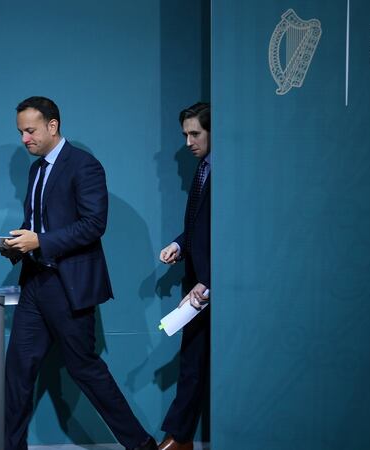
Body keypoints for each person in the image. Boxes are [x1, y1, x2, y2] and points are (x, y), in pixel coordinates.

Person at [0, 96, 157, 450]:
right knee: (17, 371)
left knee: (85, 369)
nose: (24, 139)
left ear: (52, 126)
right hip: (35, 284)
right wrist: (16, 244)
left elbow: (93, 225)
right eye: (20, 132)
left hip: (68, 286)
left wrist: (40, 240)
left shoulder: (84, 166)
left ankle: (142, 446)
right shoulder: (36, 169)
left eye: (30, 130)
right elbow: (38, 223)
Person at [156, 102, 211, 450]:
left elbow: (229, 233)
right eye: (185, 134)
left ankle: (180, 437)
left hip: (210, 283)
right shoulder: (204, 169)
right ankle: (180, 438)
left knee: (197, 361)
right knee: (192, 359)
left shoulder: (225, 172)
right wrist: (179, 244)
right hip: (199, 280)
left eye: (196, 133)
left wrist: (209, 279)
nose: (189, 141)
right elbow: (200, 226)